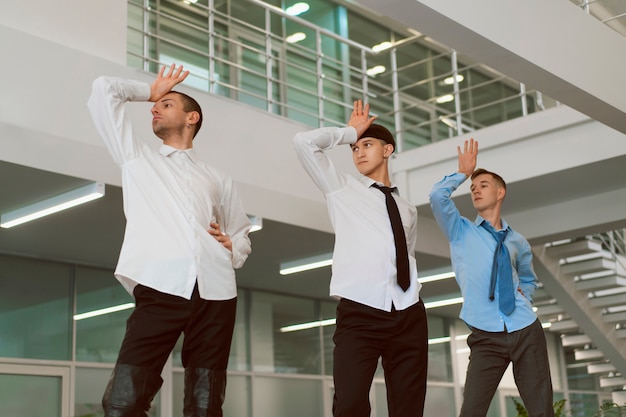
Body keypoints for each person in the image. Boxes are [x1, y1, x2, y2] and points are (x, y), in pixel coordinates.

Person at [87, 64, 252, 417]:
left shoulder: (217, 177)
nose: (155, 109)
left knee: (205, 406)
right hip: (160, 286)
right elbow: (103, 90)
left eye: (167, 104)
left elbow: (240, 230)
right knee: (121, 403)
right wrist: (152, 89)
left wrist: (233, 248)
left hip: (217, 292)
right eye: (155, 105)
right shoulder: (137, 158)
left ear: (192, 118)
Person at [293, 100, 428, 417]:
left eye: (367, 144)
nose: (359, 152)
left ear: (387, 150)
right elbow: (303, 142)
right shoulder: (340, 189)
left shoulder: (407, 208)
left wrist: (412, 297)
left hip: (408, 312)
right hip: (360, 313)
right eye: (354, 148)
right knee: (351, 404)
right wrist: (348, 132)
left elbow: (404, 255)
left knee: (409, 407)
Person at [429, 138, 554, 417]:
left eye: (483, 185)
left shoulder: (517, 240)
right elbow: (438, 197)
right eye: (472, 188)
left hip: (525, 329)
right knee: (472, 410)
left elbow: (527, 277)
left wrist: (526, 296)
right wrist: (463, 173)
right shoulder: (459, 230)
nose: (475, 191)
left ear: (500, 192)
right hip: (485, 335)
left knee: (541, 410)